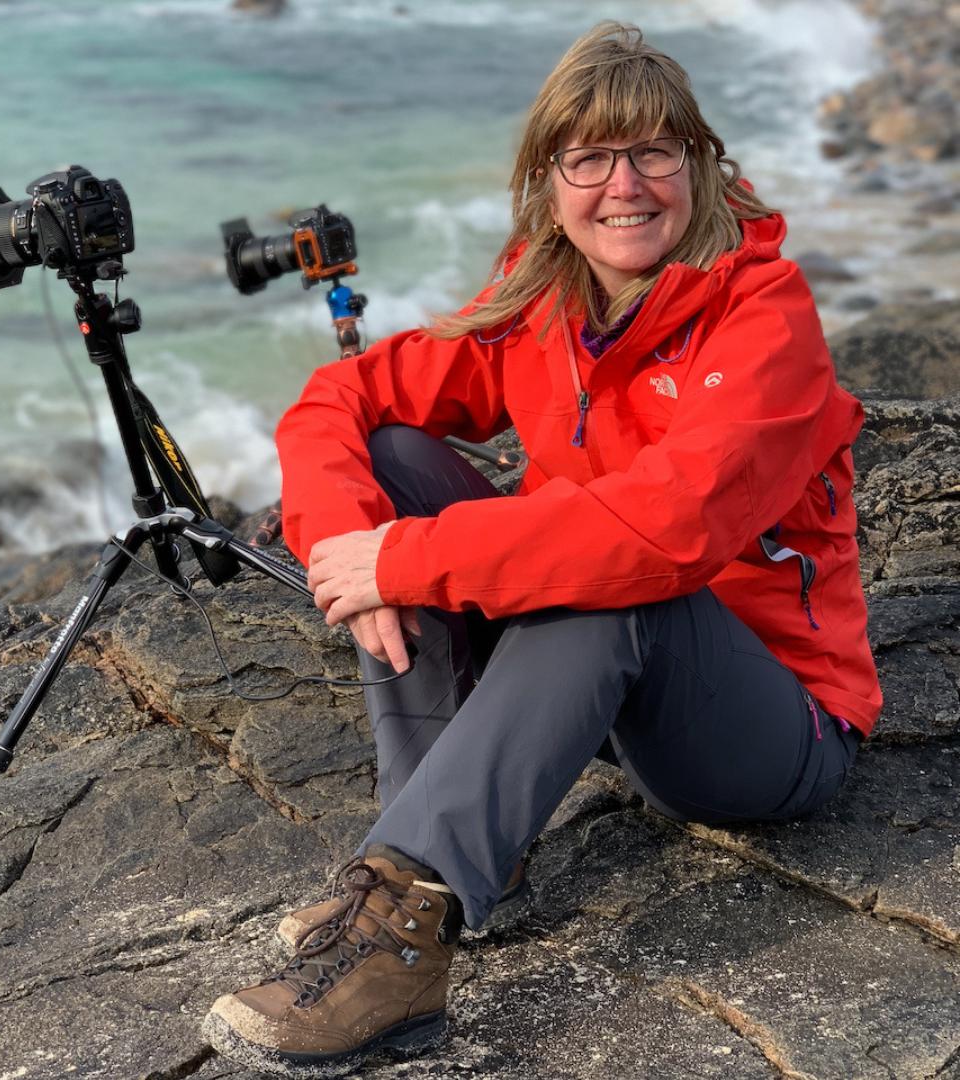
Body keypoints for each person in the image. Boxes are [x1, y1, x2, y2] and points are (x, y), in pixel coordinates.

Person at [203, 21, 881, 1076]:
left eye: (655, 151)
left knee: (621, 573)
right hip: (608, 682)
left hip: (770, 723)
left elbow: (665, 532)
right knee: (391, 457)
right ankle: (454, 844)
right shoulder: (545, 293)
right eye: (590, 157)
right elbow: (344, 396)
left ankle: (403, 923)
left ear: (700, 168)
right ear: (547, 179)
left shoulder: (764, 315)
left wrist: (411, 560)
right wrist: (348, 532)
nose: (626, 185)